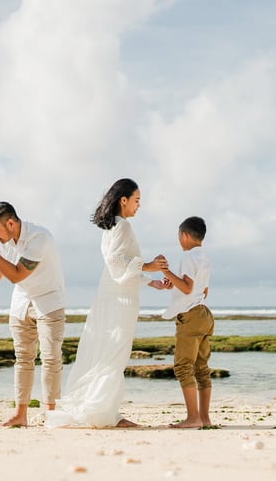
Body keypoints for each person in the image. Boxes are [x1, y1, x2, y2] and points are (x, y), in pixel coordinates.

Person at [46, 178, 167, 428]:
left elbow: (119, 266)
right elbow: (116, 262)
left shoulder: (111, 228)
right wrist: (149, 266)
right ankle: (101, 413)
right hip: (121, 300)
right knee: (115, 354)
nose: (139, 205)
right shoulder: (123, 227)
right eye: (136, 200)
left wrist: (150, 281)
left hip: (112, 294)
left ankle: (104, 410)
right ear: (123, 200)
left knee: (107, 351)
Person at [0, 202, 65, 427]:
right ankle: (20, 414)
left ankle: (51, 414)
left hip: (48, 301)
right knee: (23, 360)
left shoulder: (39, 238)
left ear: (10, 223)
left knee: (50, 359)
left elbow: (17, 274)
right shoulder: (3, 242)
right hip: (21, 303)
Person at [150, 216, 214, 428]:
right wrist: (172, 281)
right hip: (204, 314)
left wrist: (165, 271)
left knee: (183, 367)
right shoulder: (204, 258)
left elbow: (186, 288)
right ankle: (204, 418)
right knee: (201, 368)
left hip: (190, 316)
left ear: (184, 236)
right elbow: (202, 290)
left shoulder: (187, 257)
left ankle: (193, 418)